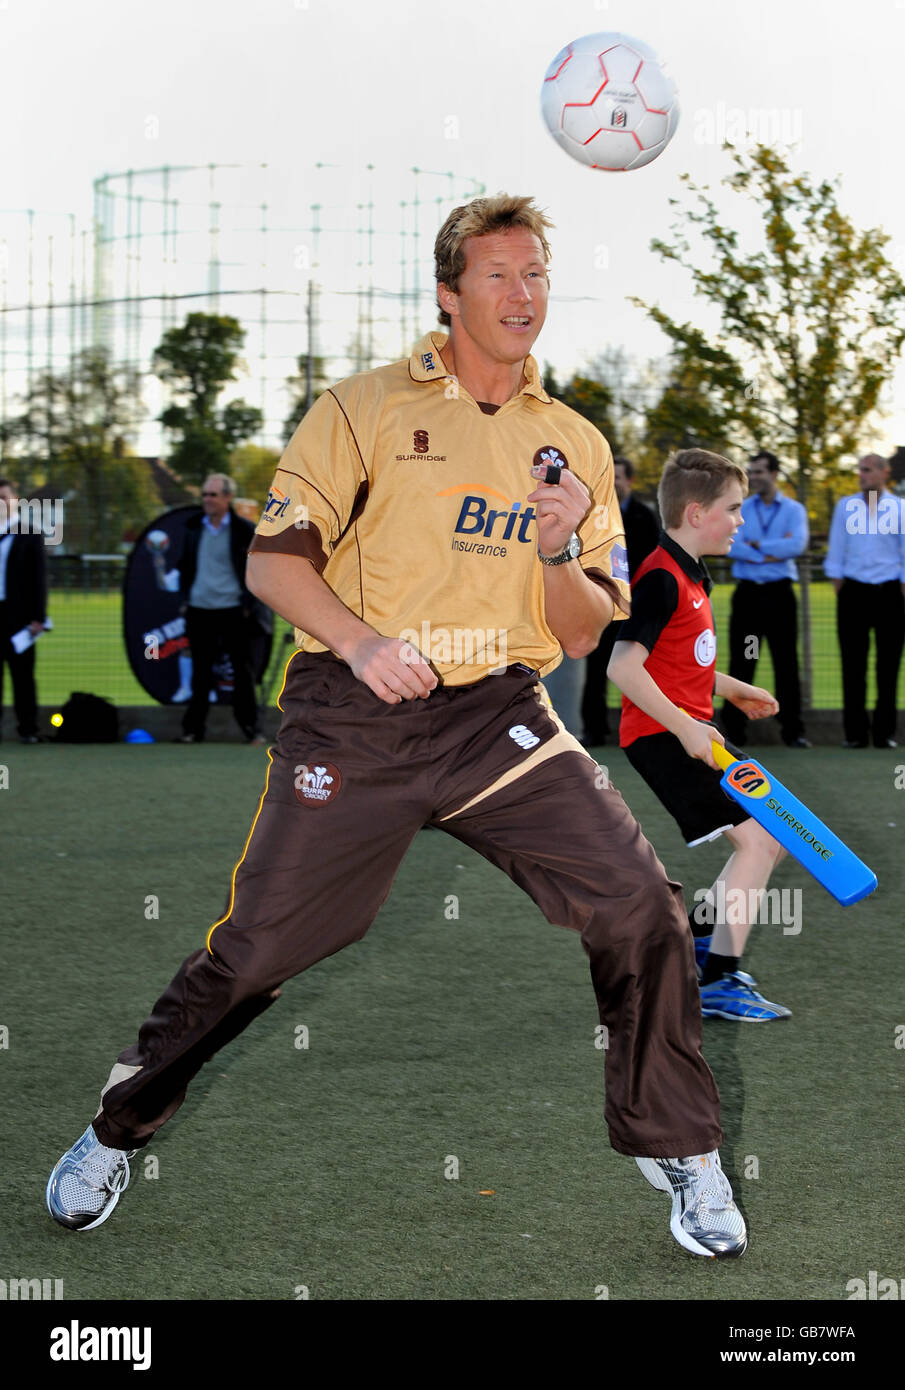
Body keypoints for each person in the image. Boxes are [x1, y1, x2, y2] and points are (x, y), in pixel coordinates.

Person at [47, 194, 746, 1260]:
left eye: (537, 275)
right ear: (448, 291)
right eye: (500, 275)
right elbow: (274, 560)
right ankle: (115, 1127)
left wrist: (559, 551)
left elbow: (570, 638)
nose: (523, 295)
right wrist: (363, 641)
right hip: (352, 716)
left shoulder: (572, 444)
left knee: (640, 903)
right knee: (257, 953)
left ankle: (679, 1144)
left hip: (493, 719)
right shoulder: (363, 408)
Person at [608, 449, 792, 1022]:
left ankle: (696, 949)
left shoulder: (689, 572)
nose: (741, 520)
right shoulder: (661, 576)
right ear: (695, 512)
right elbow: (623, 667)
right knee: (760, 841)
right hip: (667, 737)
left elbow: (679, 661)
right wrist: (687, 726)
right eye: (732, 509)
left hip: (694, 731)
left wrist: (732, 687)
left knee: (771, 839)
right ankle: (715, 980)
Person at [721, 450, 810, 749]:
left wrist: (757, 545)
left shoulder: (794, 510)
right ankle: (734, 733)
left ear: (774, 473)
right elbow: (732, 545)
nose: (754, 477)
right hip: (749, 595)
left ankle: (793, 732)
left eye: (759, 471)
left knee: (786, 663)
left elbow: (796, 544)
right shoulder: (740, 508)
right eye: (752, 472)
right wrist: (769, 550)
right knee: (744, 662)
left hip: (779, 594)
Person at [173, 473, 264, 744]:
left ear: (227, 498)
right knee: (200, 673)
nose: (207, 500)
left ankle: (251, 730)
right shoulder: (192, 528)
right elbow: (185, 567)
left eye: (213, 495)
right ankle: (192, 731)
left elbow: (257, 569)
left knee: (242, 672)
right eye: (205, 495)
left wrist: (248, 605)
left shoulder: (244, 530)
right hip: (199, 610)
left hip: (233, 610)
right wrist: (186, 600)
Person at [825, 453, 905, 749]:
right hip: (853, 593)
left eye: (868, 470)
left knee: (889, 666)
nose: (862, 474)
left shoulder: (900, 508)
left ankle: (884, 734)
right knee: (852, 665)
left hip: (889, 594)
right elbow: (836, 551)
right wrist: (841, 589)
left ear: (885, 473)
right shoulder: (846, 507)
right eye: (860, 469)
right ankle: (855, 735)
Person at [581, 455, 659, 745]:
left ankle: (644, 727)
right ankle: (595, 730)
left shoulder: (645, 516)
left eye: (617, 478)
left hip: (636, 608)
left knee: (639, 669)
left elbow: (652, 561)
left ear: (630, 481)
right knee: (596, 670)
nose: (612, 484)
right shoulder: (593, 515)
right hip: (602, 604)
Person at [0, 479, 48, 744]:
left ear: (15, 501)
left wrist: (38, 617)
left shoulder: (29, 534)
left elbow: (38, 579)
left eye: (4, 498)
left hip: (18, 616)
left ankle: (28, 728)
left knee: (23, 675)